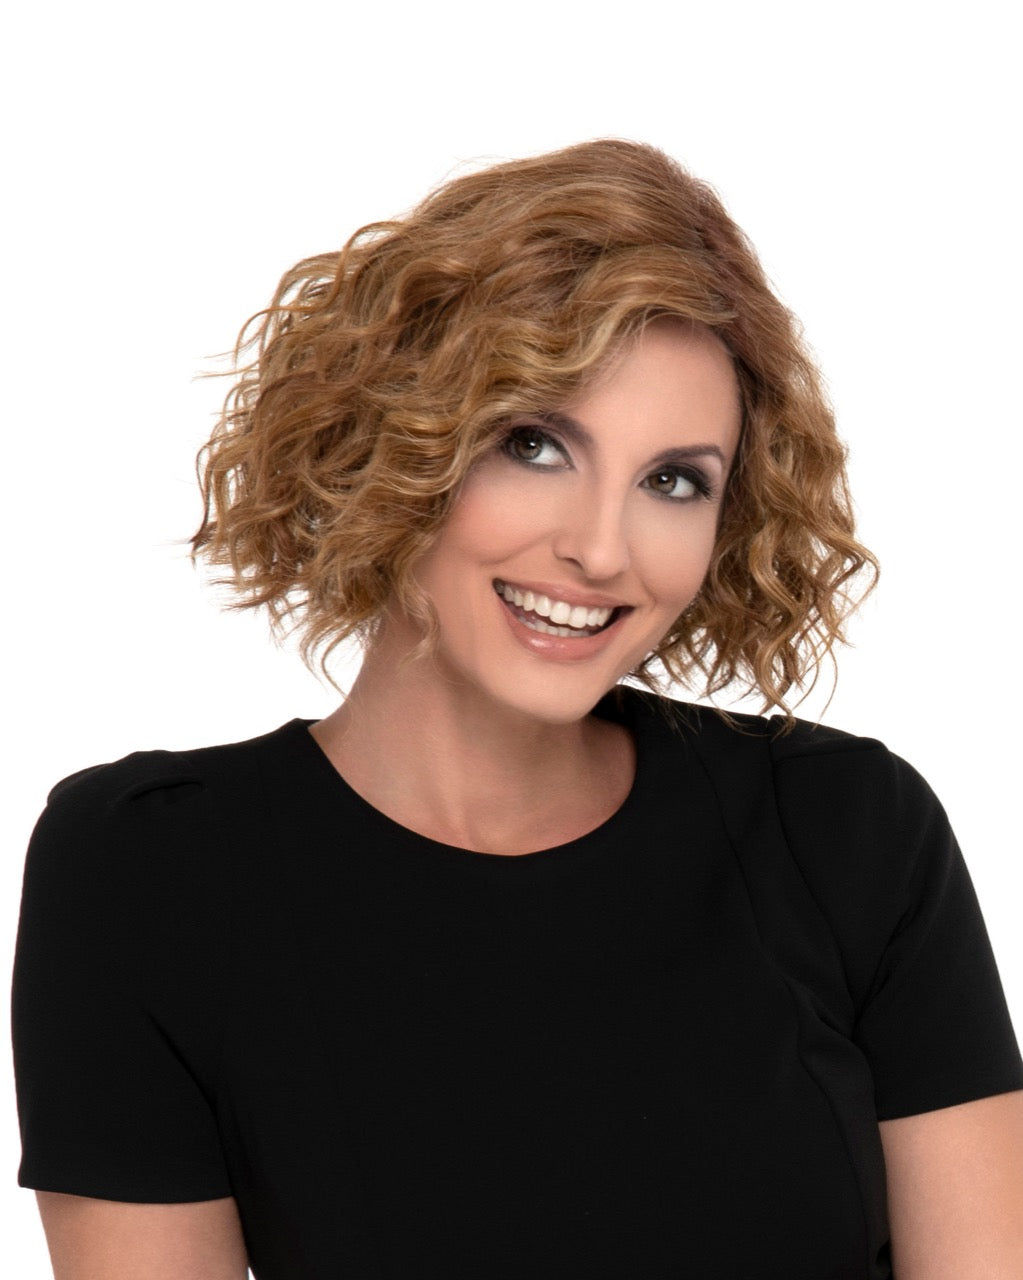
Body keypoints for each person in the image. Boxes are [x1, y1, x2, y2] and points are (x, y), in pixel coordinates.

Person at [12, 139, 1023, 1280]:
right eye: (533, 444)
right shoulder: (153, 873)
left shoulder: (847, 830)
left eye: (672, 481)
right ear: (391, 438)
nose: (600, 549)